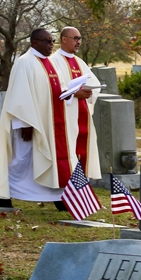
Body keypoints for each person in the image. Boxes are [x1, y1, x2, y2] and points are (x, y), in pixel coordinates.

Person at [0, 28, 92, 208]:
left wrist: (73, 93)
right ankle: (2, 197)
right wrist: (25, 124)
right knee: (21, 161)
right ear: (35, 43)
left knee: (50, 161)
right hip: (29, 124)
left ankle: (58, 197)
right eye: (47, 41)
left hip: (50, 123)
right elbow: (20, 96)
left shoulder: (50, 63)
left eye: (52, 41)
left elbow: (58, 90)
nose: (51, 44)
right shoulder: (25, 63)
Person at [49, 26, 102, 179]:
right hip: (65, 116)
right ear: (64, 39)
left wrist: (89, 91)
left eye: (80, 39)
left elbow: (94, 83)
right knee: (68, 147)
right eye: (75, 38)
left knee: (82, 148)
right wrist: (75, 93)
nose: (78, 42)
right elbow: (54, 89)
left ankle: (81, 182)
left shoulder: (80, 63)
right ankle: (68, 180)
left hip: (82, 114)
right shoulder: (54, 62)